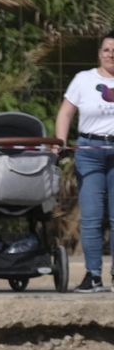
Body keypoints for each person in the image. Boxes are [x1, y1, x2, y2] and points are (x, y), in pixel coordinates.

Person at [55, 30, 114, 293]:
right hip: (90, 151)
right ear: (99, 53)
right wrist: (60, 142)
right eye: (106, 50)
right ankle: (94, 275)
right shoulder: (83, 79)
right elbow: (66, 113)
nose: (111, 55)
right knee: (91, 217)